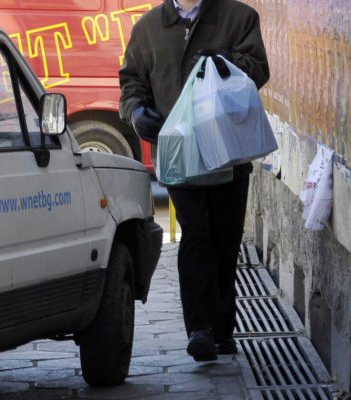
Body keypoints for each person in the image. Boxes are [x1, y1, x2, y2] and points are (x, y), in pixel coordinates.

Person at [119, 0, 270, 362]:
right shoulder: (148, 27)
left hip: (229, 151)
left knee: (225, 238)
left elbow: (258, 70)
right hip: (178, 153)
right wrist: (137, 112)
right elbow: (131, 83)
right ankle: (200, 329)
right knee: (196, 234)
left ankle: (223, 328)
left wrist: (222, 61)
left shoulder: (239, 17)